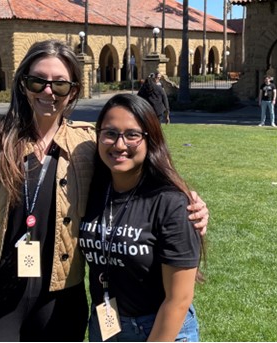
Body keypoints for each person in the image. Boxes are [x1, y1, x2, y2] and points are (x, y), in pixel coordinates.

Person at [0, 39, 209, 341]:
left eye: (60, 84)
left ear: (73, 90)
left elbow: (142, 174)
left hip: (59, 303)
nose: (48, 92)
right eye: (38, 81)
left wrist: (189, 205)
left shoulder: (88, 144)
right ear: (23, 84)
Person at [80, 94, 203, 342]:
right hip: (105, 326)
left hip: (160, 327)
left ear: (150, 140)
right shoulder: (92, 191)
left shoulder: (171, 203)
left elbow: (178, 299)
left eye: (132, 135)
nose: (119, 145)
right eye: (110, 133)